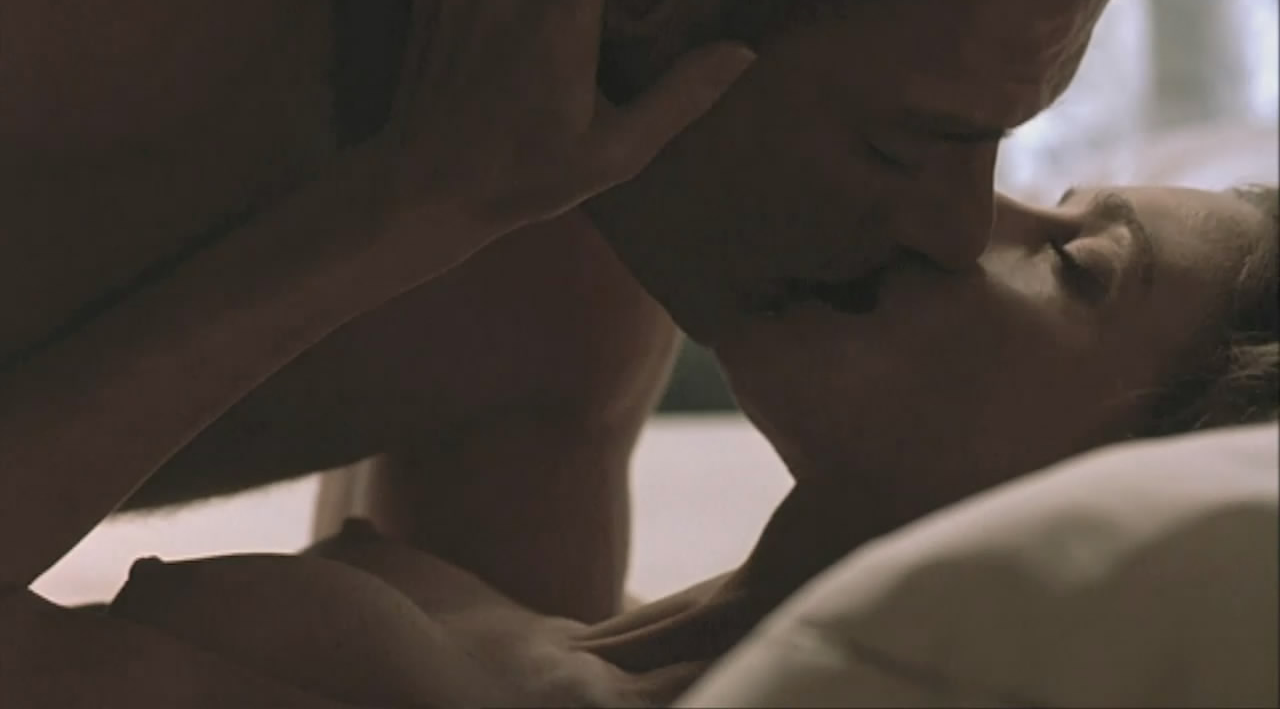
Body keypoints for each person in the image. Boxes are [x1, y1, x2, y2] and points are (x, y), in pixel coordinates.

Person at [0, 0, 1113, 706]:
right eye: (902, 144)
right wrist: (397, 208)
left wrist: (413, 209)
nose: (960, 229)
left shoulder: (563, 299)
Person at [36, 182, 1276, 709]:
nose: (963, 213)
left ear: (1126, 487)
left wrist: (394, 203)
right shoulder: (569, 632)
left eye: (1071, 265)